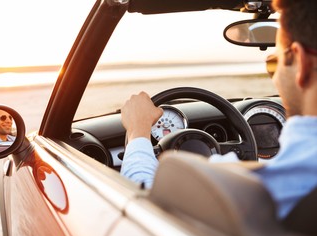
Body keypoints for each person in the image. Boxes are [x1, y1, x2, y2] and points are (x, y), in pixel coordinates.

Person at [120, 0, 317, 220]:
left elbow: (144, 201)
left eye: (274, 63)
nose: (275, 77)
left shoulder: (245, 189)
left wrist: (138, 131)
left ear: (301, 62)